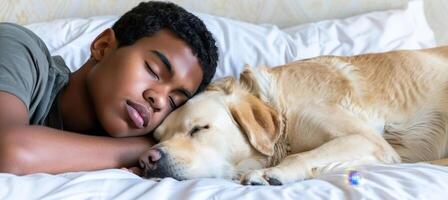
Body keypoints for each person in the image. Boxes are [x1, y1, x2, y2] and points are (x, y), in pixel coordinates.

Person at [0, 1, 218, 175]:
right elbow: (8, 150)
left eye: (174, 101)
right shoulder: (18, 48)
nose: (160, 100)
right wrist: (137, 148)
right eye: (153, 70)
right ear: (103, 46)